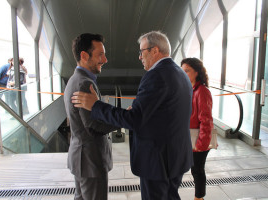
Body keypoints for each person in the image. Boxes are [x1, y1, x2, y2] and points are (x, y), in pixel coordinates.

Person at [71, 31, 193, 200]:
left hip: (158, 161)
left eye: (142, 51)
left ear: (155, 50)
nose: (139, 57)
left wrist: (96, 106)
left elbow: (135, 119)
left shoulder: (155, 76)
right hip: (176, 157)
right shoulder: (180, 74)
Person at [64, 33, 118, 200]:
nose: (105, 59)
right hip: (91, 162)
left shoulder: (74, 79)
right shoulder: (84, 83)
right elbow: (94, 127)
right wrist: (123, 118)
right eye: (100, 54)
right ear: (84, 55)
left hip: (82, 159)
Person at [181, 58, 213, 200]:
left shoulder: (202, 91)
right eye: (182, 71)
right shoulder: (188, 89)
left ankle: (199, 197)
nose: (184, 74)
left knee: (197, 170)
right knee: (188, 168)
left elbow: (206, 120)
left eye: (187, 71)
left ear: (197, 72)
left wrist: (202, 144)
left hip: (199, 139)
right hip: (188, 137)